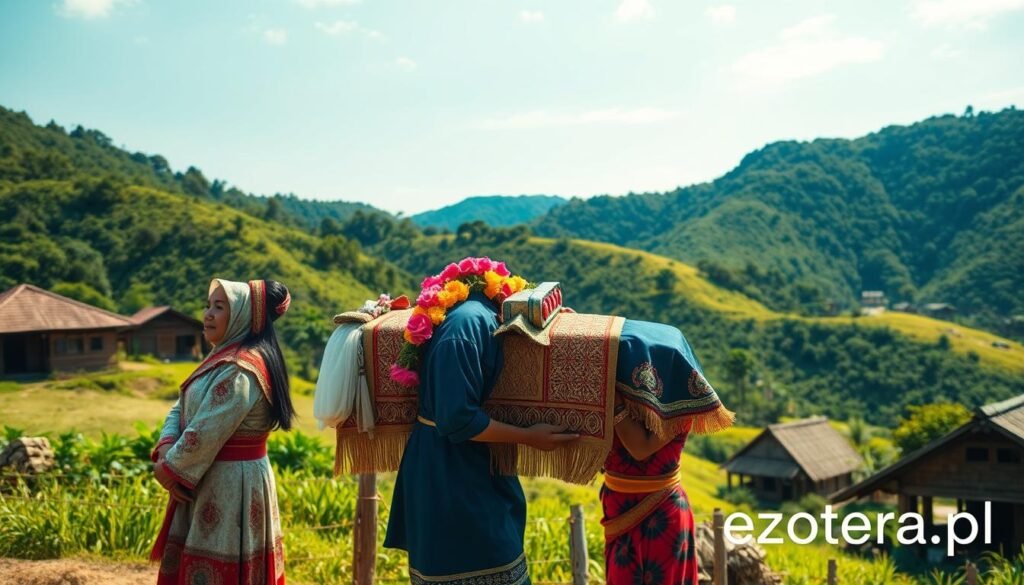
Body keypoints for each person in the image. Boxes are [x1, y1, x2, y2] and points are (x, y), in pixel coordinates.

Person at [384, 289, 580, 585]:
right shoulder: (465, 329)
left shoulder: (487, 315)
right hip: (450, 476)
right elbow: (457, 418)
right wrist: (528, 436)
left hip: (473, 465)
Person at [150, 278, 295, 585]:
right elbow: (181, 406)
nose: (208, 314)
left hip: (231, 485)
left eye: (219, 307)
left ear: (242, 315)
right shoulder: (220, 359)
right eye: (208, 306)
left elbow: (205, 431)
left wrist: (168, 469)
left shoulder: (241, 369)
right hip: (207, 478)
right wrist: (165, 448)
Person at [600, 320, 731, 585]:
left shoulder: (678, 400)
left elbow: (640, 449)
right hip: (618, 505)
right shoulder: (627, 398)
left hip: (659, 513)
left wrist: (612, 400)